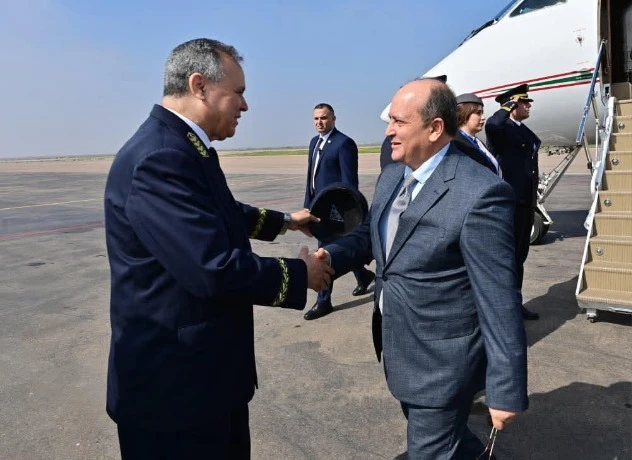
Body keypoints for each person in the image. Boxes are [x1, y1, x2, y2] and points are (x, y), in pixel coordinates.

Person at [103, 38, 334, 459]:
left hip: (201, 385)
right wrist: (302, 275)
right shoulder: (161, 157)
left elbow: (220, 211)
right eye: (238, 92)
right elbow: (212, 268)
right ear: (200, 86)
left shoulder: (181, 145)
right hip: (175, 397)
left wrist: (284, 221)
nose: (245, 105)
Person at [317, 78, 528, 459]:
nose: (388, 131)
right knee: (450, 440)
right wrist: (331, 257)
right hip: (400, 349)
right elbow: (372, 235)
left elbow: (499, 297)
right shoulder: (392, 176)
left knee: (430, 449)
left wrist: (506, 387)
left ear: (435, 128)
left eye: (399, 121)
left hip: (443, 363)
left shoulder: (479, 193)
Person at [302, 103, 375, 320]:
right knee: (339, 249)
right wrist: (308, 205)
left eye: (324, 118)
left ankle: (323, 301)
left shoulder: (344, 144)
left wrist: (346, 216)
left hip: (335, 212)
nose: (319, 122)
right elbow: (311, 178)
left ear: (333, 119)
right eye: (316, 118)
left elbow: (349, 184)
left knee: (324, 254)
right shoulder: (314, 142)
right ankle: (363, 275)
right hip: (318, 208)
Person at [485, 83, 540, 320]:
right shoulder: (501, 129)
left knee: (520, 256)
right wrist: (506, 107)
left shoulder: (522, 130)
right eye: (524, 102)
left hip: (526, 201)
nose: (528, 106)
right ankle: (505, 307)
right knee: (509, 257)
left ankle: (515, 303)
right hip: (511, 202)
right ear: (512, 105)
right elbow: (491, 125)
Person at [452, 93, 501, 176]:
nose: (483, 117)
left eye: (482, 113)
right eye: (478, 113)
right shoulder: (456, 144)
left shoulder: (478, 142)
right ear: (464, 114)